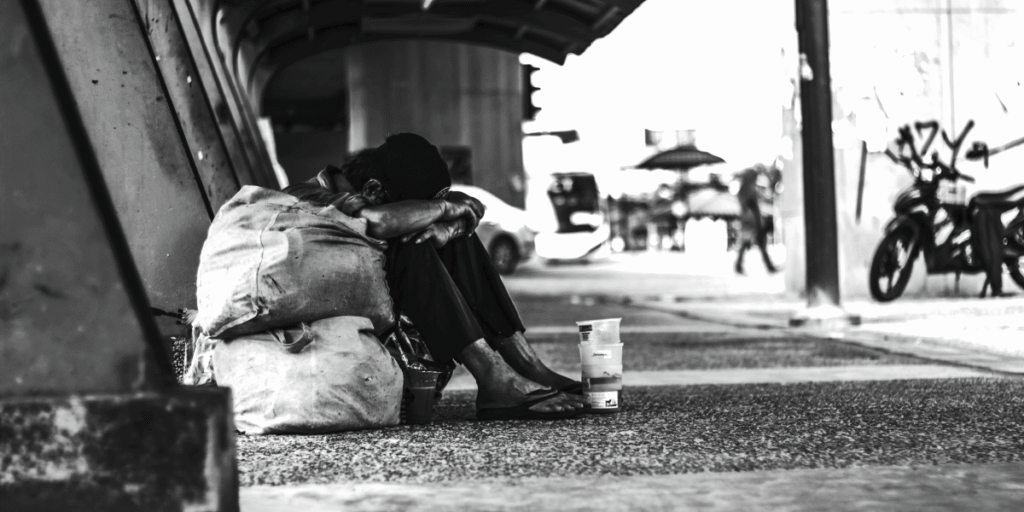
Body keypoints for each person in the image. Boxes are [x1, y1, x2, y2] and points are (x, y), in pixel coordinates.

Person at [283, 133, 584, 420]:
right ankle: (494, 379)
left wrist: (450, 227)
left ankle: (526, 364)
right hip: (337, 314)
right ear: (373, 190)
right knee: (412, 239)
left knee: (451, 235)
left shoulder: (374, 188)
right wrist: (441, 209)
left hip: (387, 312)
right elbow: (379, 222)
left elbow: (472, 206)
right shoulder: (305, 197)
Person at [734, 163, 778, 275]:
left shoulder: (742, 190)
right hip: (753, 221)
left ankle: (739, 265)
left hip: (747, 220)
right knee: (758, 243)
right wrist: (759, 222)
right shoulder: (750, 190)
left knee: (748, 244)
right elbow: (753, 208)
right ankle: (768, 266)